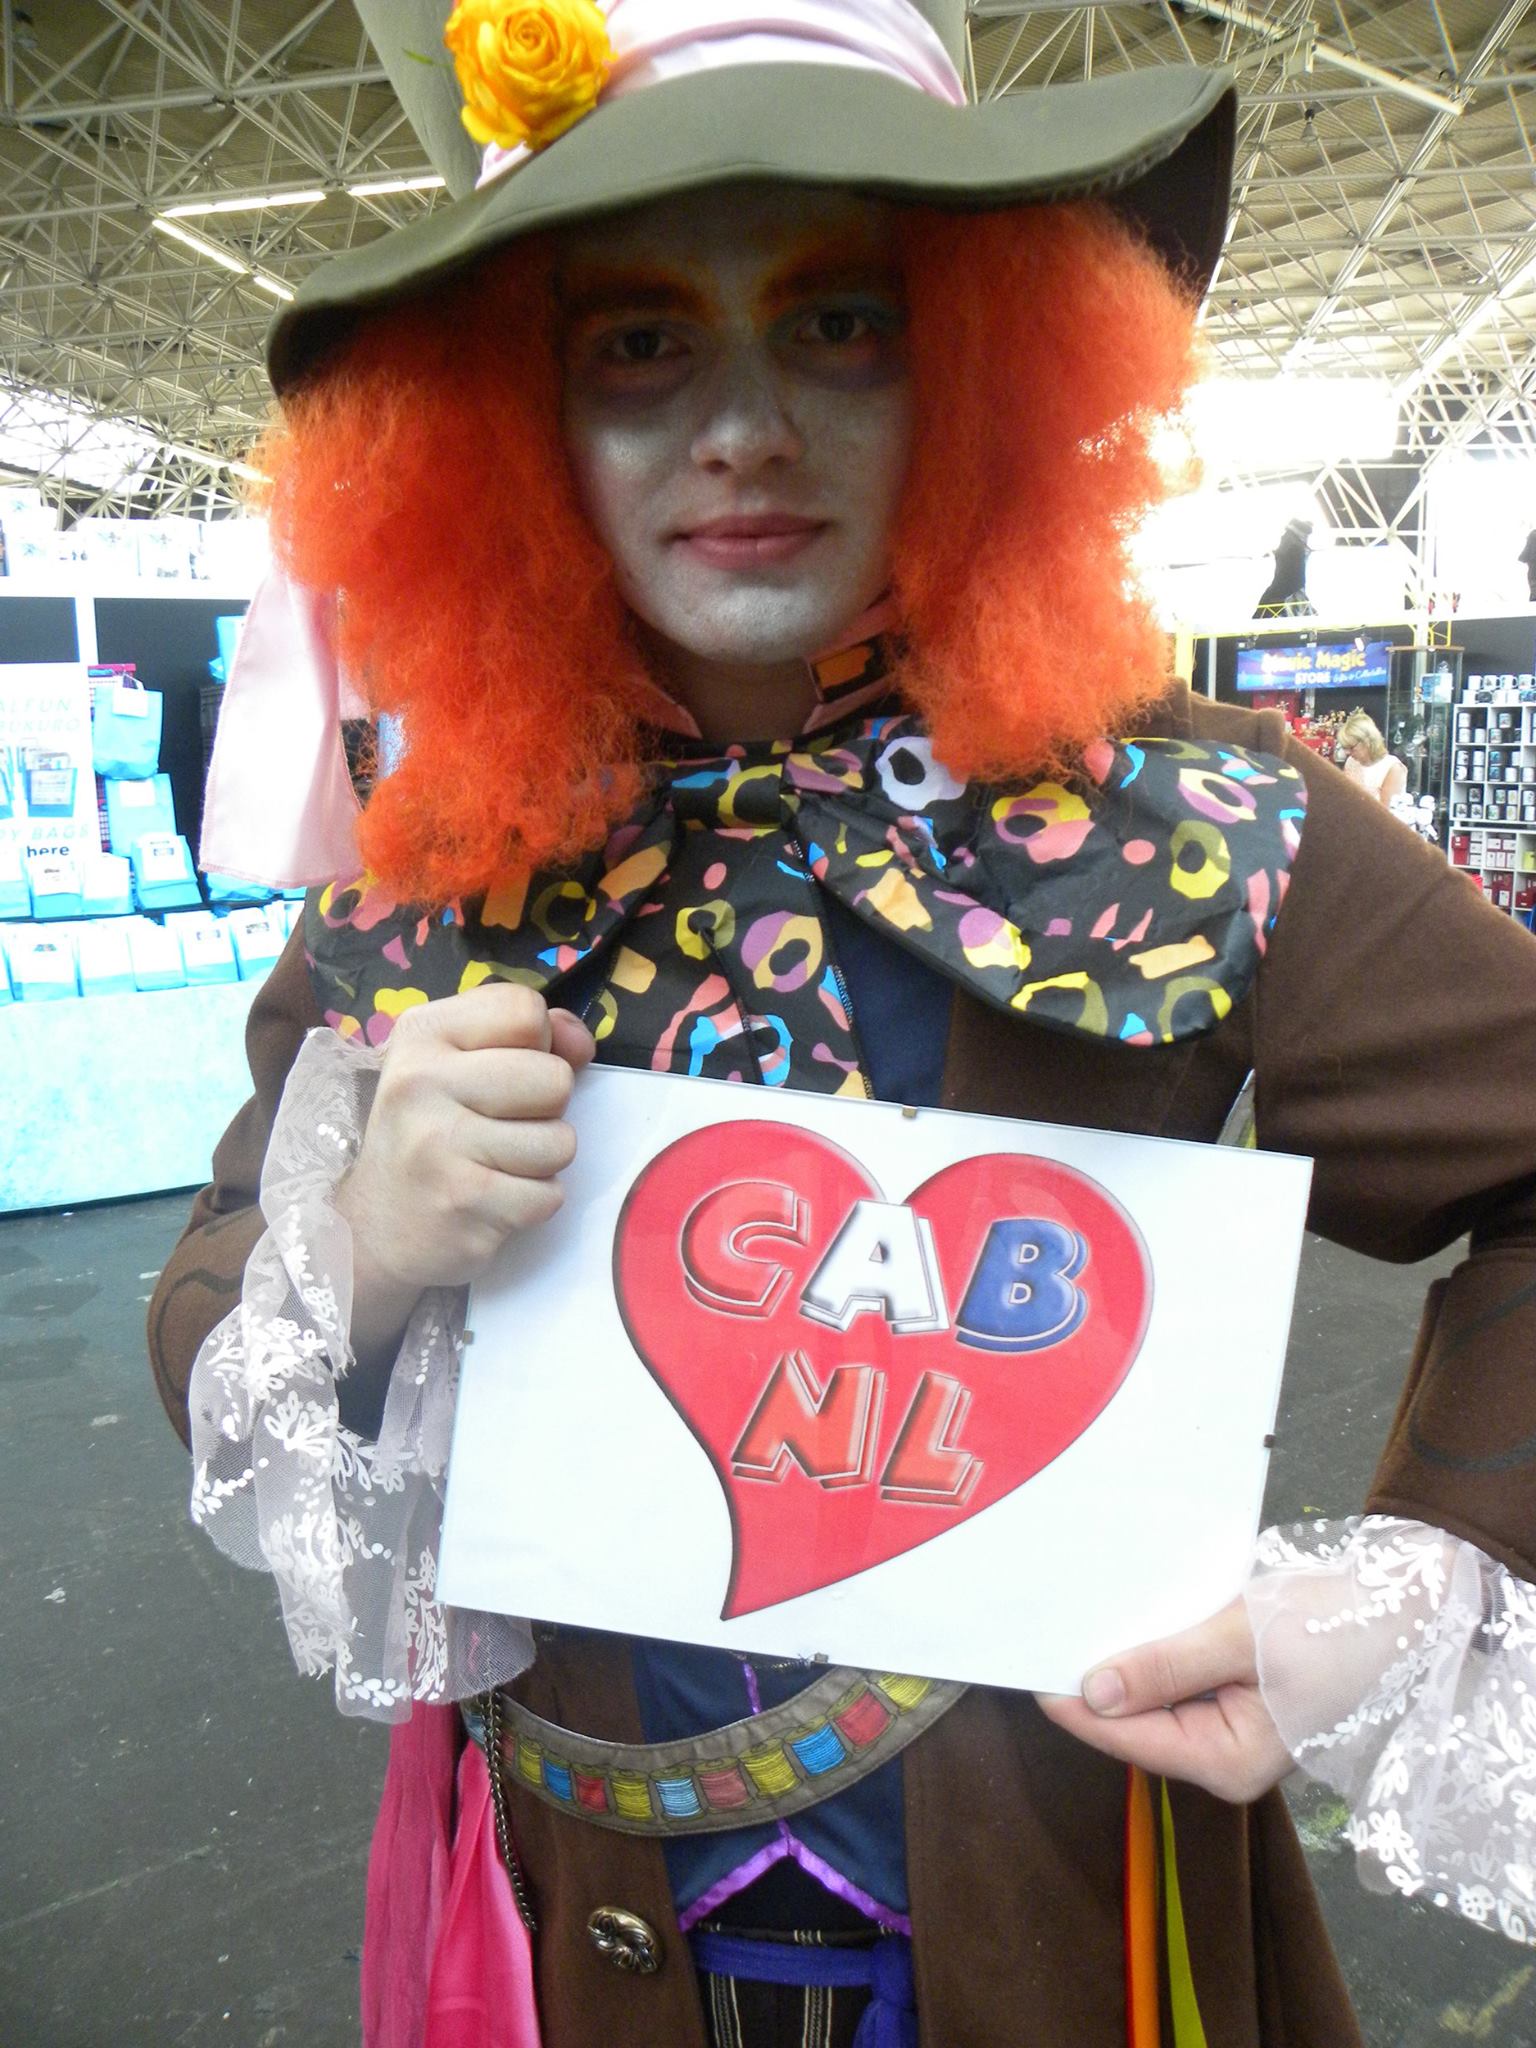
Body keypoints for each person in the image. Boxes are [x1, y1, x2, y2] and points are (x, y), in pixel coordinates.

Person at [150, 3, 1536, 2043]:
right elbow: (209, 1307)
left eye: (841, 323)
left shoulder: (1194, 817)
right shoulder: (435, 876)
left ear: (980, 366)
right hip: (575, 1945)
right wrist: (352, 1248)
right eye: (640, 340)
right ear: (514, 413)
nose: (743, 430)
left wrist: (1414, 1578)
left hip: (1081, 1941)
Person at [1336, 709, 1408, 808]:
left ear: (1368, 742)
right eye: (1345, 747)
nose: (1347, 752)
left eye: (1351, 747)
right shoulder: (1351, 762)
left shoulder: (1393, 768)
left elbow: (1385, 811)